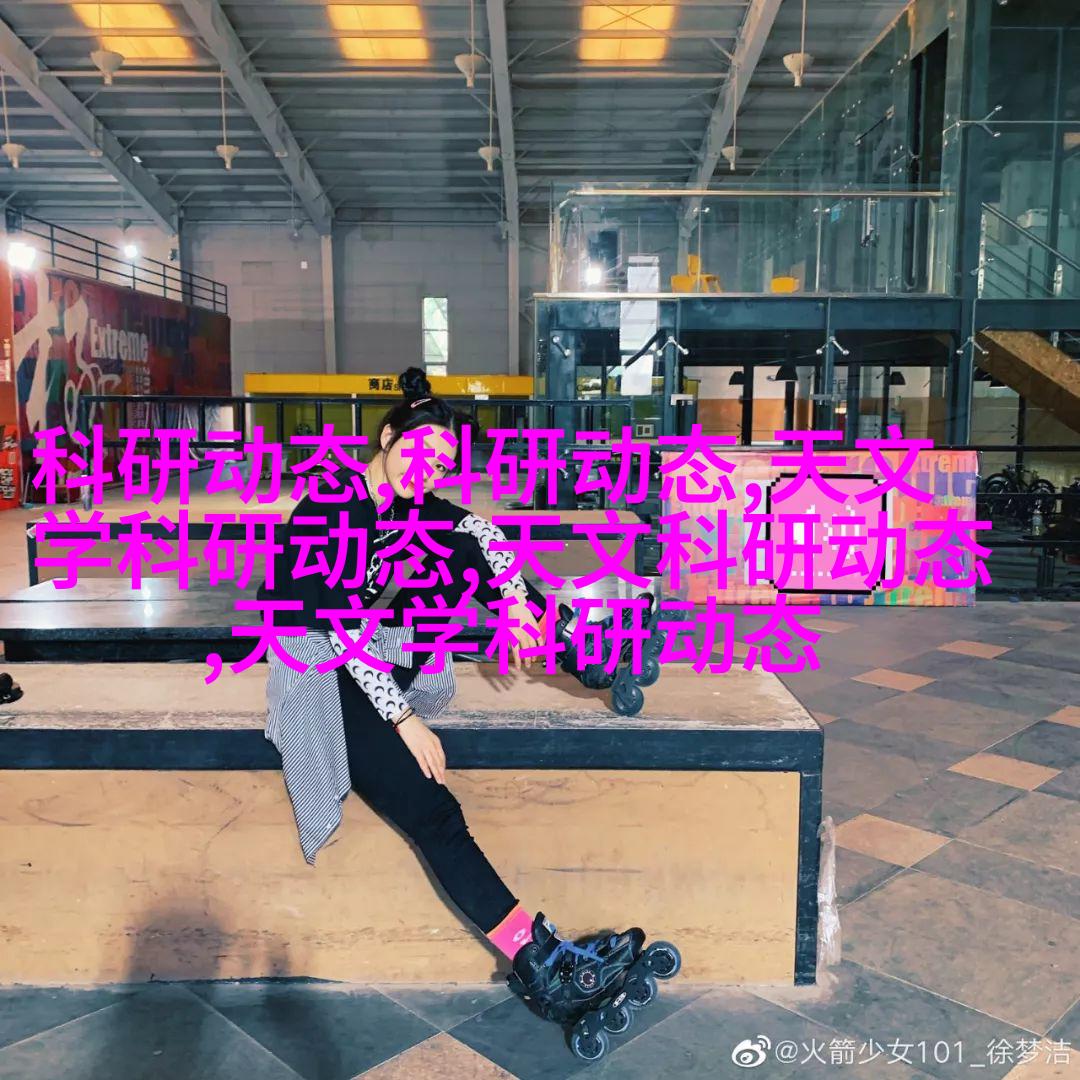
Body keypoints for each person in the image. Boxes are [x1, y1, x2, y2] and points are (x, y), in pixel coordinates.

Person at [259, 367, 644, 1018]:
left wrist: (516, 601)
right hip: (317, 669)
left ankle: (574, 643)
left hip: (373, 652)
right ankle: (535, 961)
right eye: (419, 451)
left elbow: (481, 533)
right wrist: (404, 719)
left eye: (440, 464)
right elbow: (341, 626)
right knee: (434, 812)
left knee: (462, 554)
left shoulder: (412, 508)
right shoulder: (332, 505)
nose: (427, 471)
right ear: (388, 437)